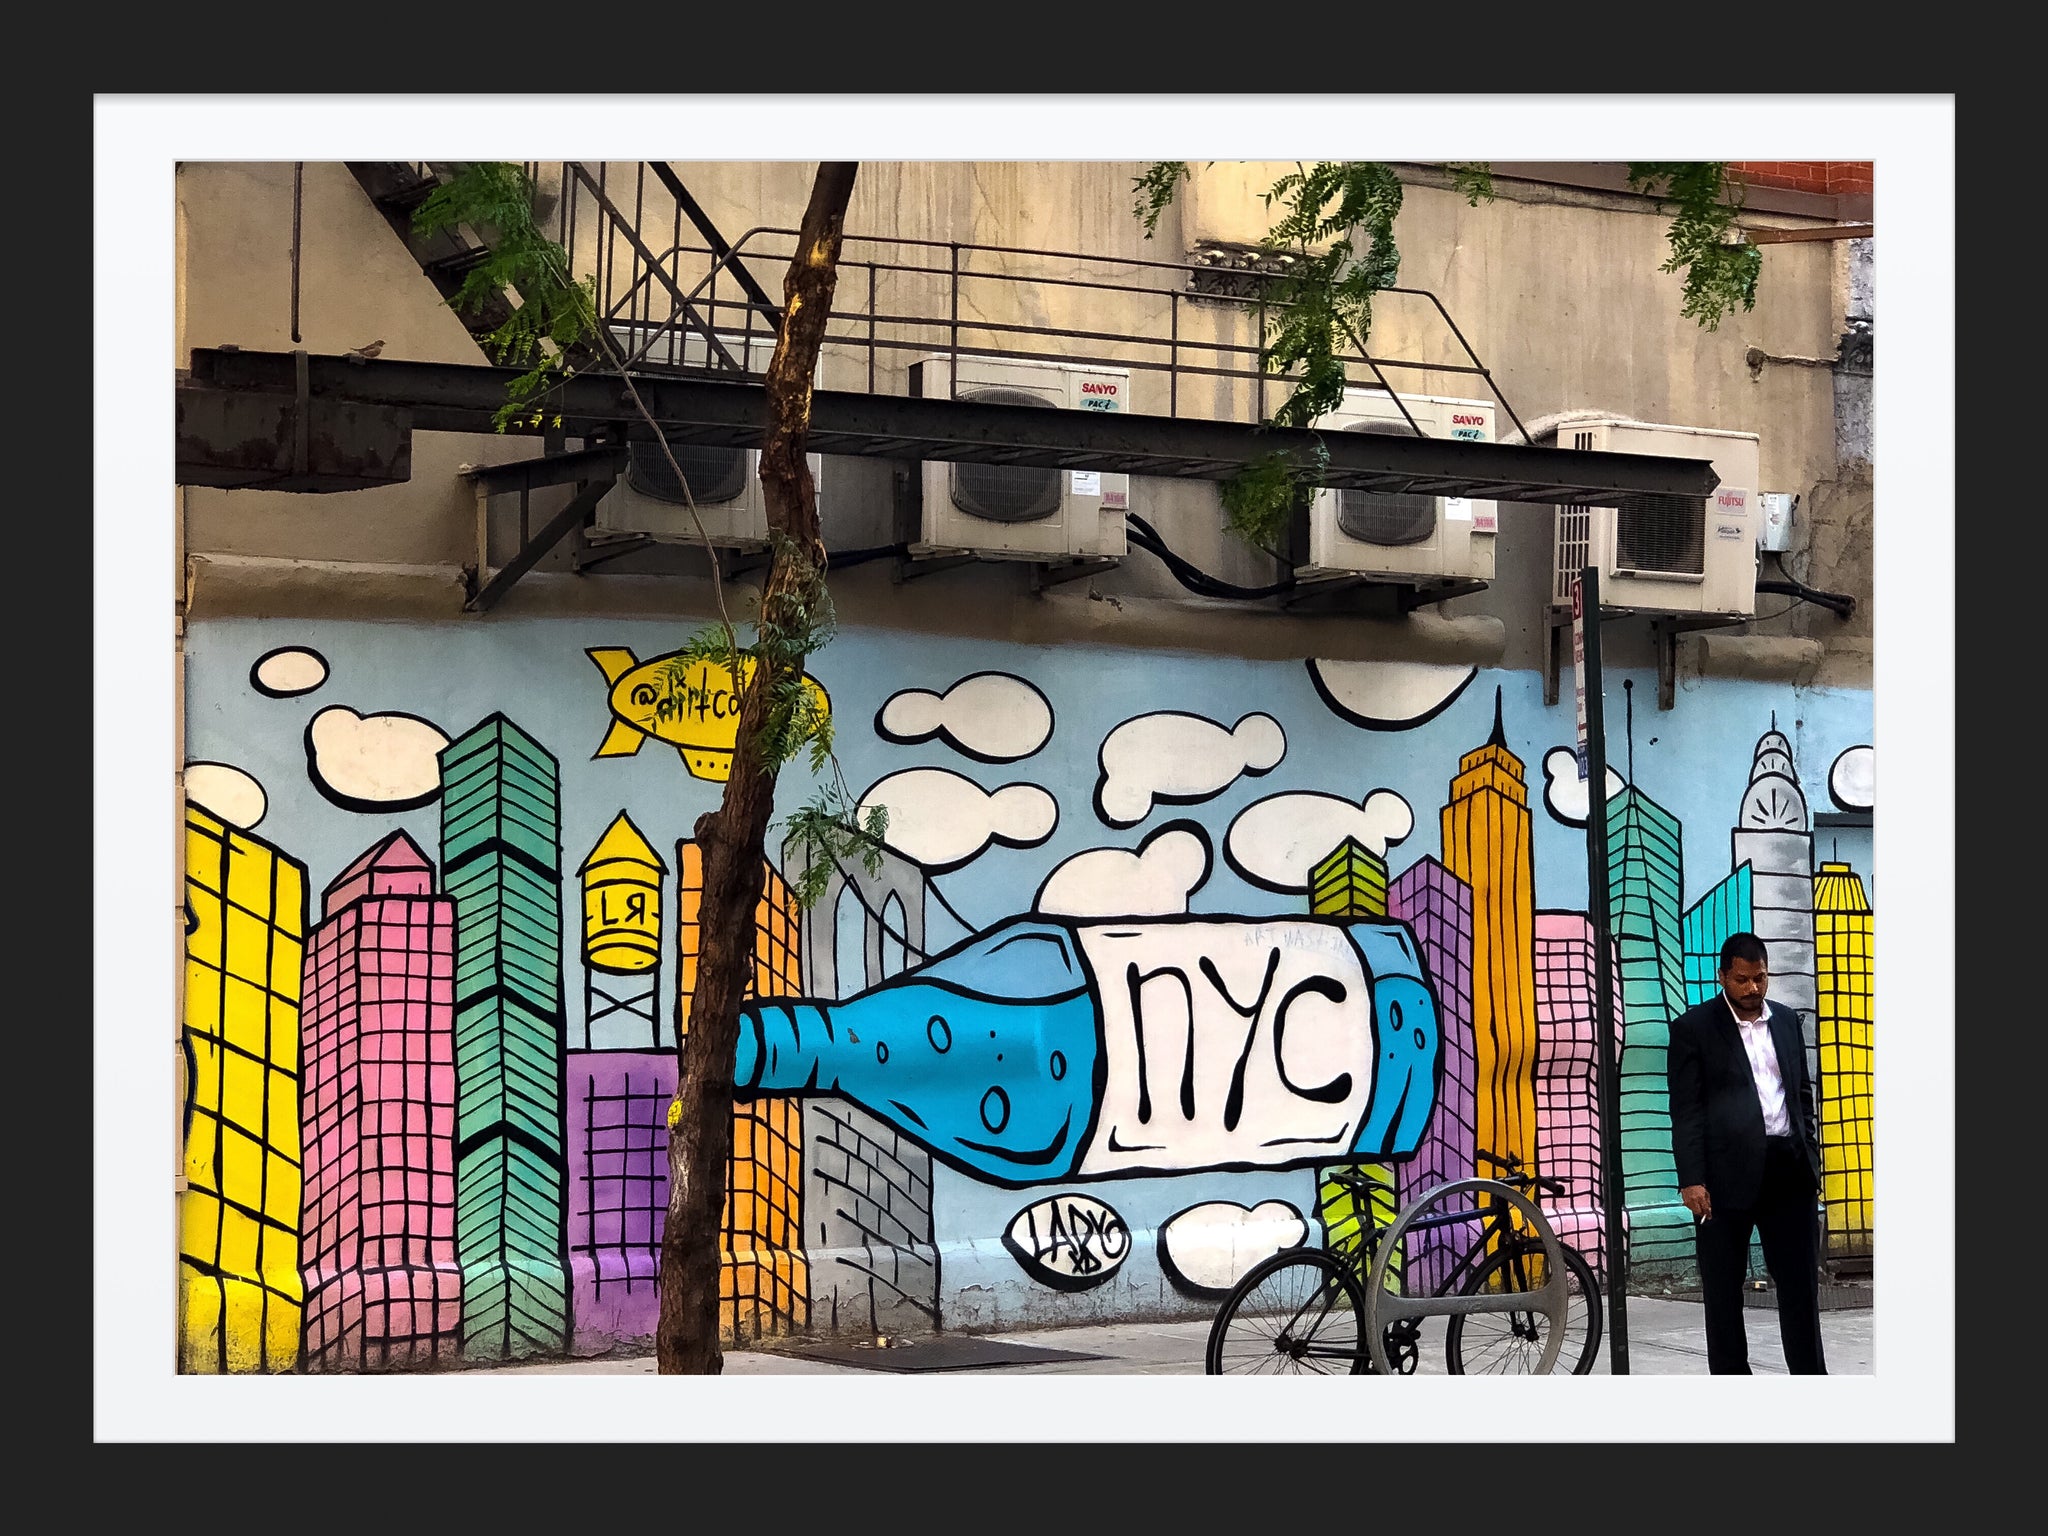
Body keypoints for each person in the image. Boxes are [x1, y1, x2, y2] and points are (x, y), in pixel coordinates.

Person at [1666, 932, 1827, 1374]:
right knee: (1723, 1294)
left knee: (1800, 1289)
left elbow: (1801, 1093)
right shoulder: (1694, 1029)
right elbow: (1686, 1111)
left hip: (1788, 1172)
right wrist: (1691, 1180)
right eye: (1742, 980)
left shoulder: (1787, 1022)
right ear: (1722, 976)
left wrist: (1810, 1156)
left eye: (1760, 978)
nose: (1753, 988)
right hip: (1723, 1180)